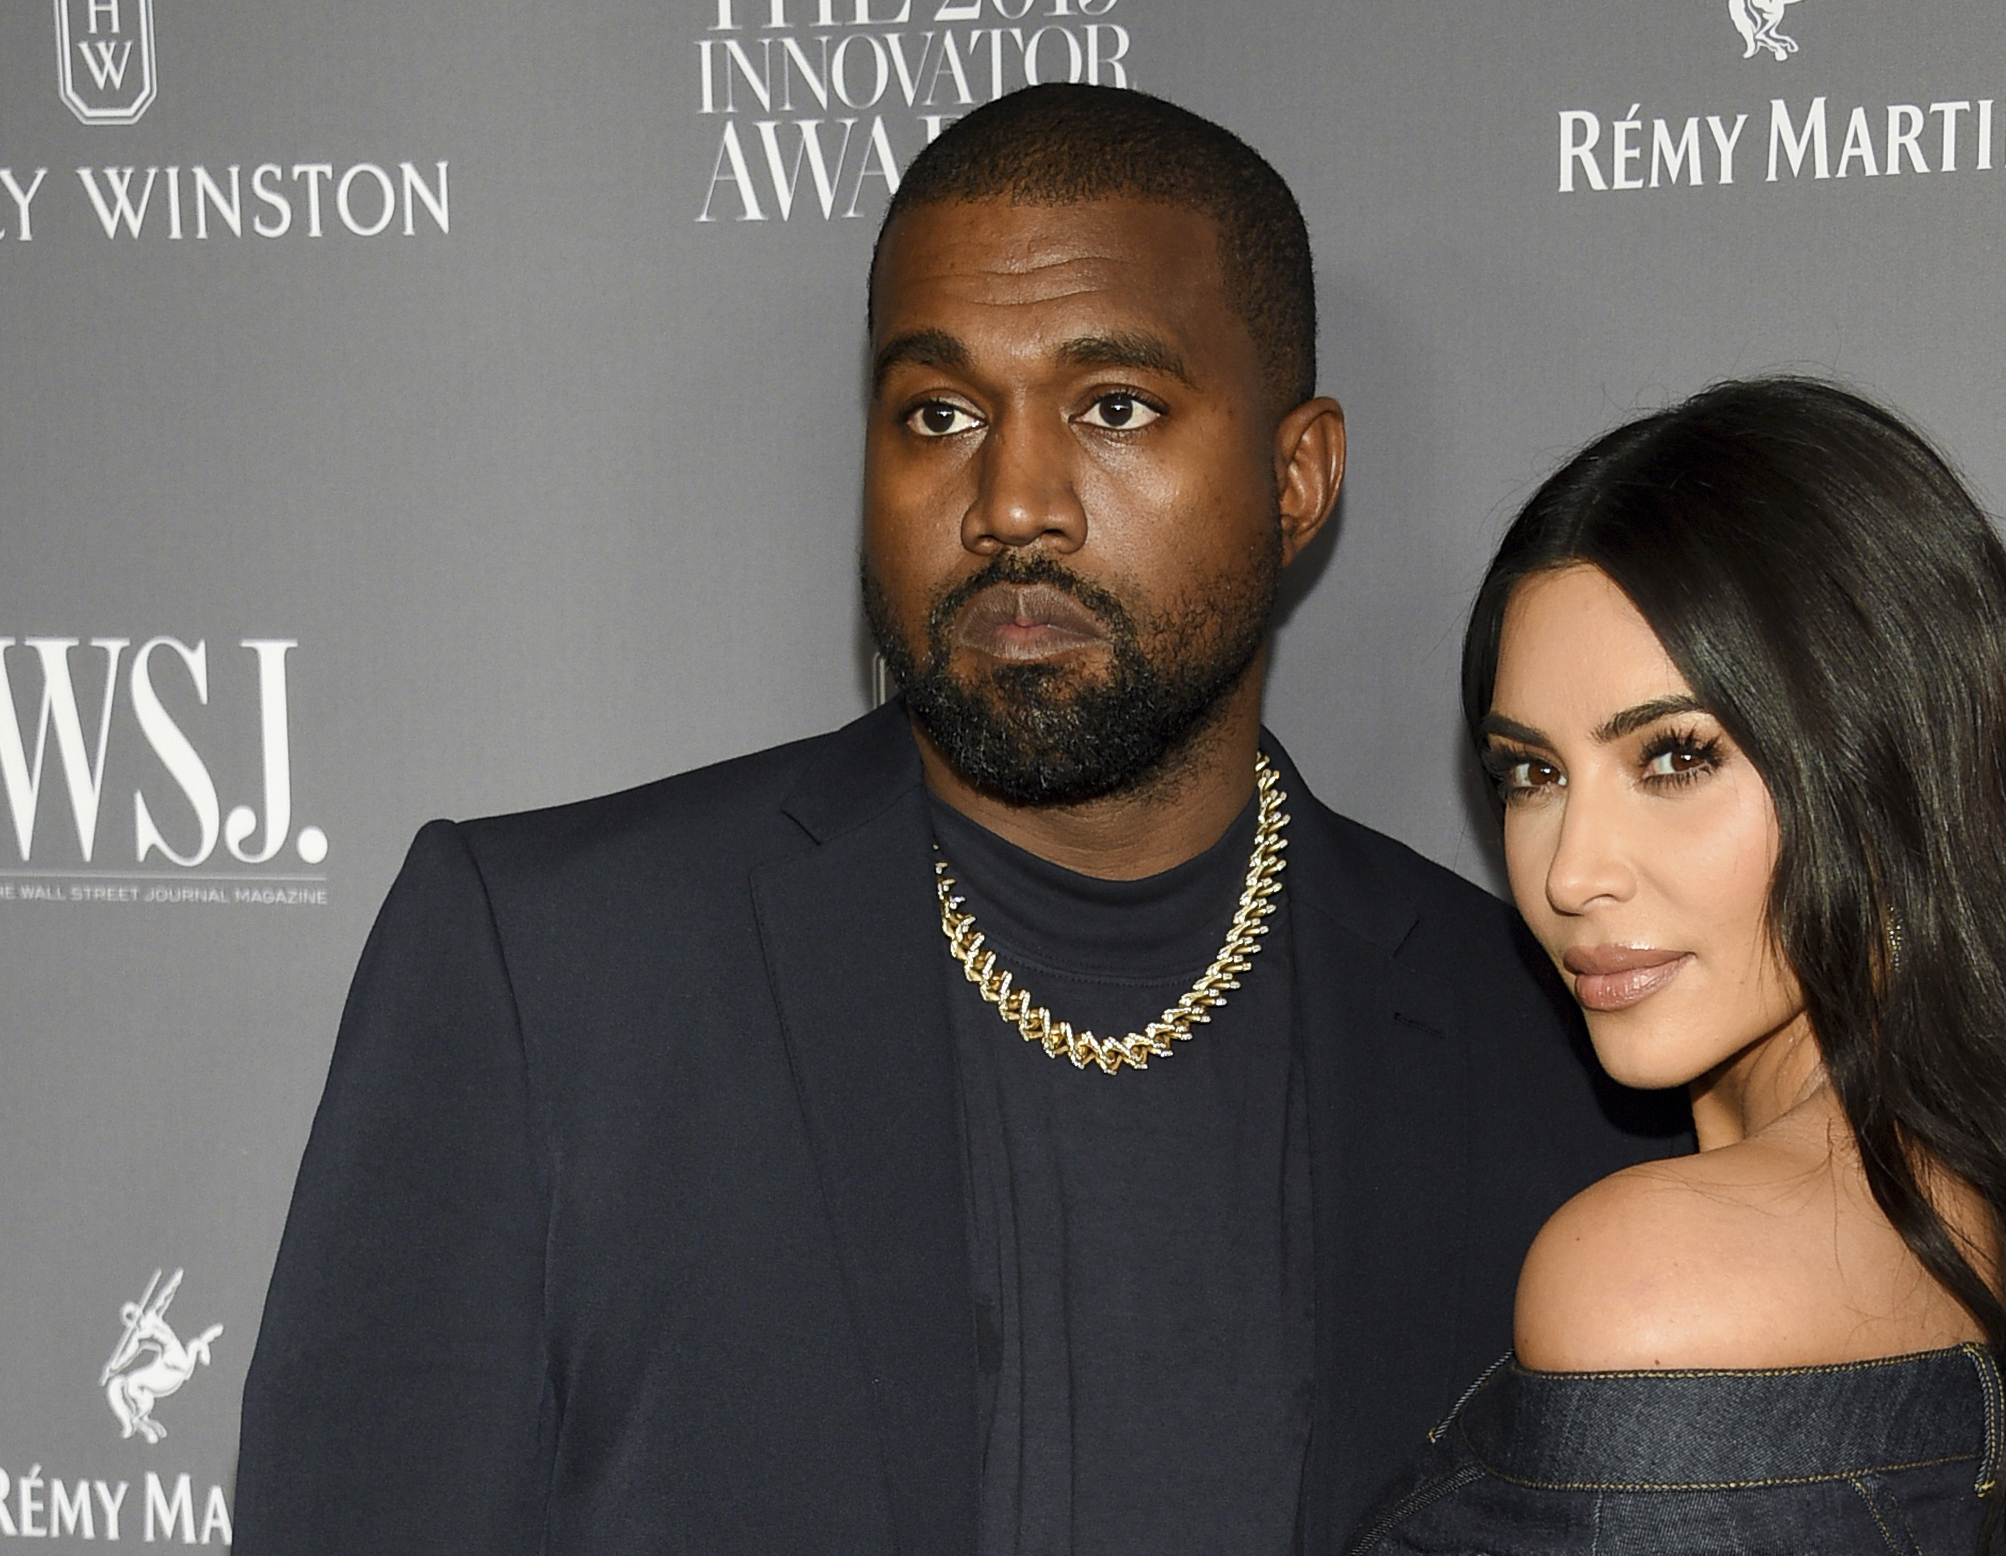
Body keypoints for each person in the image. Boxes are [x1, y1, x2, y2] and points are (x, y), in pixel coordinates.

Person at [234, 85, 1676, 1556]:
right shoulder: (549, 971)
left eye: (1114, 409)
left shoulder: (1535, 1049)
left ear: (1294, 480)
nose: (1011, 502)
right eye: (940, 413)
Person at [1350, 377, 2006, 1556]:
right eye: (1531, 773)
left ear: (1884, 763)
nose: (1572, 870)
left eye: (1676, 756)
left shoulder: (1647, 1279)